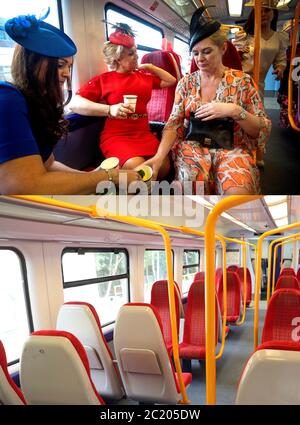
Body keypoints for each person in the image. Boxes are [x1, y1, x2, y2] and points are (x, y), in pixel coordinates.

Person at [0, 12, 139, 194]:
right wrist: (105, 177)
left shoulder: (35, 105)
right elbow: (23, 186)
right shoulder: (7, 99)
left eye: (69, 67)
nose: (66, 73)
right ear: (31, 63)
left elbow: (48, 165)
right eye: (59, 65)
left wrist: (91, 178)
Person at [143, 7, 272, 195]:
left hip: (232, 148)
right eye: (195, 53)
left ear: (223, 48)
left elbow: (260, 128)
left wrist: (235, 111)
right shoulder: (186, 83)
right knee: (189, 191)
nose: (200, 59)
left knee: (237, 193)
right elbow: (173, 125)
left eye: (206, 51)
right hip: (193, 148)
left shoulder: (242, 82)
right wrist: (159, 157)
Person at [70, 23, 176, 178]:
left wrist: (150, 67)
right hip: (117, 136)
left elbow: (171, 80)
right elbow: (74, 104)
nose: (137, 57)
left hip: (143, 134)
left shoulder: (143, 77)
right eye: (131, 54)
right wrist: (109, 109)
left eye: (136, 52)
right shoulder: (104, 80)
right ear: (118, 58)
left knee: (164, 168)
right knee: (139, 170)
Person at [233, 0, 289, 166]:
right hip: (241, 81)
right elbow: (235, 59)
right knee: (237, 115)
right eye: (261, 11)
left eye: (267, 11)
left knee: (258, 118)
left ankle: (258, 151)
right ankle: (237, 148)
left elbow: (280, 59)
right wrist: (240, 54)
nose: (264, 14)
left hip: (260, 82)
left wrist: (280, 68)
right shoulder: (246, 35)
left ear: (274, 14)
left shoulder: (279, 37)